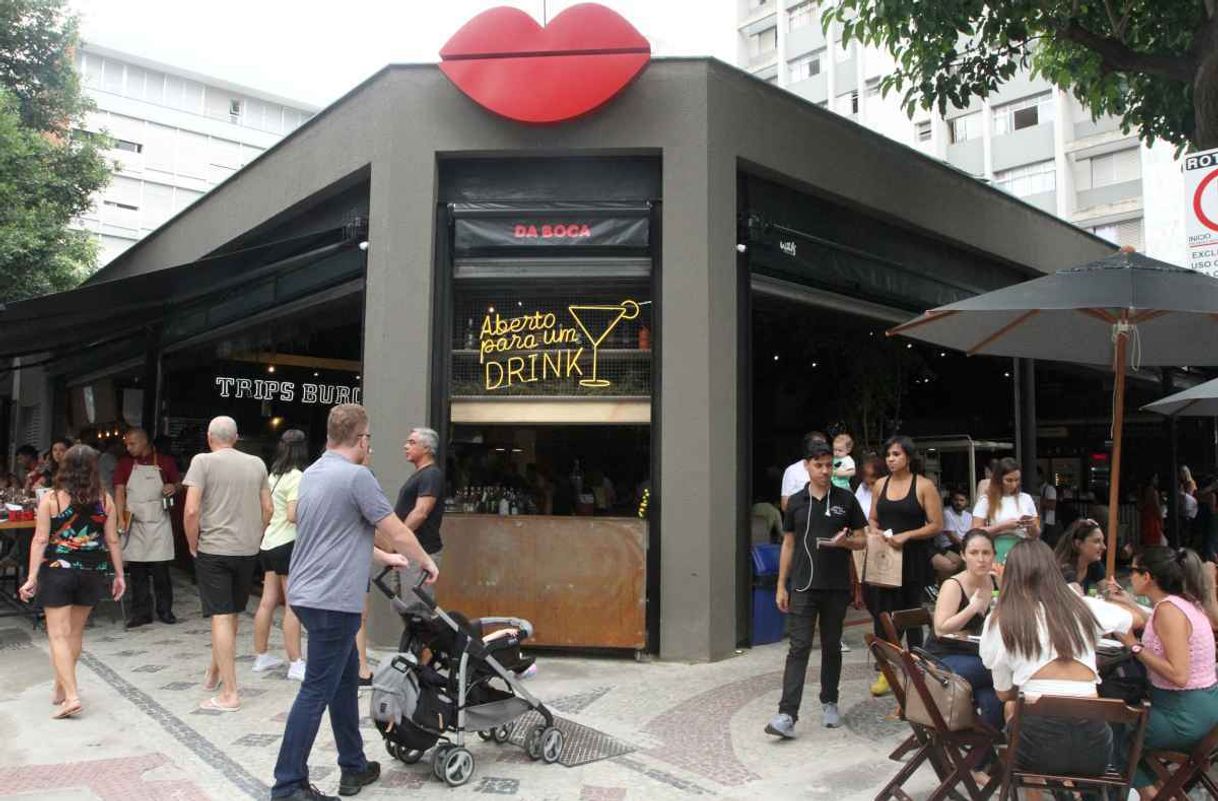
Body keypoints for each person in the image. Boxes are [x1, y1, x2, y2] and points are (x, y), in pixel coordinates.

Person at [271, 404, 438, 801]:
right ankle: (288, 784)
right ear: (362, 440)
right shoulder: (357, 477)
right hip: (333, 600)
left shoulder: (313, 473)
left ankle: (354, 766)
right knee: (315, 691)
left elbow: (340, 533)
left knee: (345, 683)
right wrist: (425, 560)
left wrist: (385, 559)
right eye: (370, 439)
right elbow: (395, 529)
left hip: (309, 594)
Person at [979, 540, 1133, 778]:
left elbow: (1002, 693)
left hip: (1037, 749)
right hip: (1095, 752)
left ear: (1011, 576)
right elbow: (1131, 620)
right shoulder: (1082, 608)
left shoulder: (1002, 619)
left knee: (1013, 707)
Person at [765, 440, 867, 737]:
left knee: (832, 645)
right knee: (798, 648)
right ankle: (787, 713)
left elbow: (863, 539)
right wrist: (781, 585)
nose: (824, 471)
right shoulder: (796, 501)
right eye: (818, 465)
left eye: (828, 465)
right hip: (803, 585)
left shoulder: (846, 500)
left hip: (835, 585)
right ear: (807, 466)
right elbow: (788, 543)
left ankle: (830, 701)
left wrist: (846, 543)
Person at [18, 445, 126, 719]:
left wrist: (31, 577)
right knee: (75, 634)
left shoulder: (51, 500)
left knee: (57, 635)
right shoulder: (106, 500)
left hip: (57, 572)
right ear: (93, 469)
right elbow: (112, 539)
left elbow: (40, 540)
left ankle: (72, 696)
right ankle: (60, 687)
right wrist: (119, 575)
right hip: (92, 572)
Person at [1108, 547, 1218, 797]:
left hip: (1182, 714)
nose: (1130, 575)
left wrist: (1132, 644)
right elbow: (1157, 624)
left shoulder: (1169, 610)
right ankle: (1158, 793)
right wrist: (1129, 602)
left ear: (1147, 577)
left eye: (1133, 571)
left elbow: (1179, 675)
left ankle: (1151, 796)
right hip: (1203, 708)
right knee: (1119, 731)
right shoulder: (1183, 603)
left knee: (1110, 733)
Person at [183, 416, 273, 712]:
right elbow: (269, 508)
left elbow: (192, 510)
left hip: (214, 548)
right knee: (232, 613)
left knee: (221, 616)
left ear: (210, 437)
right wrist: (255, 534)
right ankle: (214, 671)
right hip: (247, 550)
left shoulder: (202, 462)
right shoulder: (257, 464)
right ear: (236, 438)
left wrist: (192, 543)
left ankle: (230, 693)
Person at [867, 435, 943, 696]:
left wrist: (907, 535)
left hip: (912, 558)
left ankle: (916, 671)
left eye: (896, 454)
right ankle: (887, 671)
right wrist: (876, 533)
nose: (891, 459)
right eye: (888, 454)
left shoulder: (924, 486)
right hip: (886, 559)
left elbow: (936, 524)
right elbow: (873, 518)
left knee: (911, 615)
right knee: (883, 614)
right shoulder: (879, 485)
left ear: (908, 457)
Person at [928, 530, 1002, 730]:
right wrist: (971, 609)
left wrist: (1006, 588)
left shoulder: (996, 582)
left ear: (994, 555)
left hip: (978, 656)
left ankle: (980, 758)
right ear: (963, 555)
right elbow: (940, 629)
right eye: (974, 553)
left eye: (986, 553)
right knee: (1005, 671)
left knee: (993, 699)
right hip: (944, 657)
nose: (981, 559)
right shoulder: (953, 585)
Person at [253, 429, 310, 681]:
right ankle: (296, 662)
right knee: (293, 604)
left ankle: (261, 656)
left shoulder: (273, 473)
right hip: (287, 544)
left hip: (269, 543)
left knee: (267, 601)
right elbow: (292, 515)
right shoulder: (297, 476)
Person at [114, 427, 181, 627]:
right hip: (134, 522)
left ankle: (165, 610)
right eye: (126, 444)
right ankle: (141, 613)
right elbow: (119, 492)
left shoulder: (165, 461)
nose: (128, 447)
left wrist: (173, 487)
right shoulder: (124, 464)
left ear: (144, 442)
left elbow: (178, 483)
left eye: (132, 443)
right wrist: (120, 518)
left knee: (161, 571)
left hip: (159, 521)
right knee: (137, 571)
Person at [393, 426, 445, 613]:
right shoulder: (420, 474)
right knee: (406, 608)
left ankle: (422, 644)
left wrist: (398, 536)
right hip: (408, 552)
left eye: (412, 442)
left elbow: (421, 512)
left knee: (418, 612)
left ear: (426, 448)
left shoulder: (431, 474)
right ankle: (411, 643)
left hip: (420, 552)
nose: (406, 446)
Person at [972, 457, 1039, 540]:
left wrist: (1032, 526)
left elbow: (1036, 534)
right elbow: (974, 532)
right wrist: (1003, 526)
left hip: (1022, 548)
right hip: (997, 548)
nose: (1014, 485)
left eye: (1017, 480)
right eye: (1009, 480)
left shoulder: (1026, 498)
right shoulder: (986, 500)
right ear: (998, 479)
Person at [1053, 518, 1106, 596]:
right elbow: (1080, 602)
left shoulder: (1094, 564)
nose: (1104, 547)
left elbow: (1110, 592)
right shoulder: (1064, 568)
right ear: (1078, 544)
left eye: (1103, 541)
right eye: (1097, 541)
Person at [780, 431, 828, 512]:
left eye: (824, 446)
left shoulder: (829, 469)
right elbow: (785, 505)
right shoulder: (792, 471)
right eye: (818, 445)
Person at [933, 490, 970, 578]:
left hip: (962, 545)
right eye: (956, 500)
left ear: (967, 502)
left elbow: (971, 533)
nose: (958, 503)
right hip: (948, 545)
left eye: (962, 500)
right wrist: (968, 548)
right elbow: (953, 537)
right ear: (952, 501)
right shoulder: (946, 513)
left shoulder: (968, 516)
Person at [1036, 468, 1060, 548]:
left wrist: (1037, 499)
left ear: (1041, 476)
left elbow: (1052, 505)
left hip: (1048, 523)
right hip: (1040, 523)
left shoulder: (1049, 489)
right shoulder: (1037, 488)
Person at [1140, 474, 1165, 547]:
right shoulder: (1153, 491)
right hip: (1152, 517)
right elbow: (1156, 506)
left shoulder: (1145, 490)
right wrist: (1161, 520)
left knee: (1147, 538)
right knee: (1154, 539)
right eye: (1156, 478)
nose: (1157, 480)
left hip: (1146, 516)